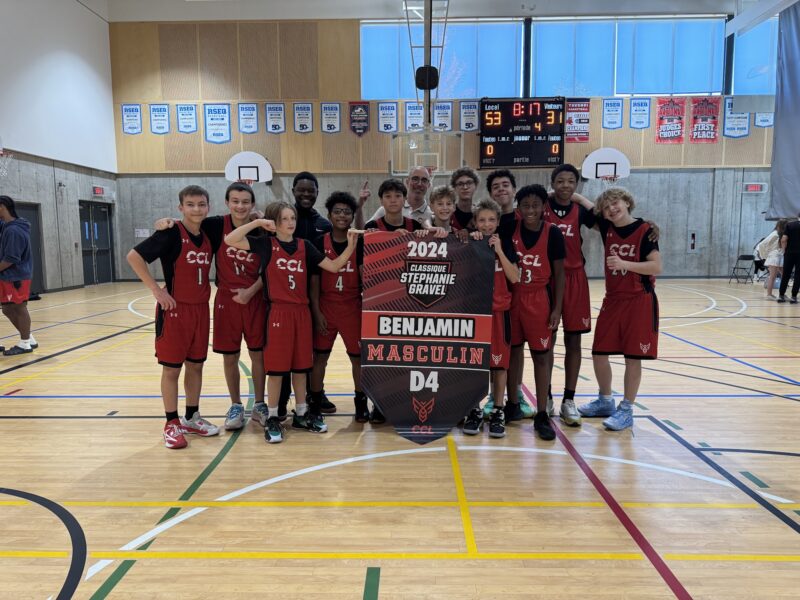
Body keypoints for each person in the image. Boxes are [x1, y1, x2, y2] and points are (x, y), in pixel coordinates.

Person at [224, 202, 359, 444]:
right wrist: (256, 223)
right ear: (274, 223)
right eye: (284, 218)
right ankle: (274, 416)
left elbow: (334, 266)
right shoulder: (266, 245)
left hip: (302, 313)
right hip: (278, 313)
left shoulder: (304, 246)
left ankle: (301, 412)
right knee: (276, 371)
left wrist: (350, 247)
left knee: (300, 368)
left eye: (292, 217)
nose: (290, 222)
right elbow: (230, 240)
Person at [126, 185, 220, 449]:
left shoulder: (210, 231)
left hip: (201, 310)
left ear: (208, 207)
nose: (196, 209)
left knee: (196, 365)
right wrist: (156, 291)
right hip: (175, 311)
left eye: (201, 204)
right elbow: (134, 256)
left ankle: (192, 417)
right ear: (180, 208)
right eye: (190, 204)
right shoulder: (169, 233)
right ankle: (171, 423)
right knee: (172, 369)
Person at [577, 188, 661, 431]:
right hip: (613, 299)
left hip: (639, 301)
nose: (612, 209)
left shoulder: (646, 230)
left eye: (616, 203)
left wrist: (625, 263)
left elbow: (656, 266)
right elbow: (586, 203)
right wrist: (565, 194)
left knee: (632, 358)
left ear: (627, 202)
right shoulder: (607, 228)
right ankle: (605, 400)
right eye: (607, 207)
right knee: (599, 352)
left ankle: (626, 409)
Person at [364, 178, 446, 423]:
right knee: (383, 358)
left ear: (404, 199)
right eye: (388, 197)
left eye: (397, 196)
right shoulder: (372, 226)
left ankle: (406, 403)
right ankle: (380, 405)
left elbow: (435, 252)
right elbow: (363, 265)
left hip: (411, 302)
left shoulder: (416, 225)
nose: (393, 200)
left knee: (408, 357)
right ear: (381, 201)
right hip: (380, 302)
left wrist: (434, 232)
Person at [505, 185, 565, 440]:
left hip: (539, 299)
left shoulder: (553, 233)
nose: (530, 210)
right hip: (513, 299)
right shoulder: (510, 228)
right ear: (518, 208)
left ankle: (542, 413)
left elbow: (560, 274)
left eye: (535, 205)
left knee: (542, 357)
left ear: (544, 207)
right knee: (513, 354)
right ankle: (512, 405)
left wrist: (557, 309)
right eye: (526, 206)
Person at [542, 164, 597, 426]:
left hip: (575, 279)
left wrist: (582, 199)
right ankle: (548, 396)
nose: (565, 186)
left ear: (576, 184)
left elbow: (605, 220)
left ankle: (569, 399)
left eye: (571, 181)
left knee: (574, 342)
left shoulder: (580, 211)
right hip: (548, 280)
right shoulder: (541, 207)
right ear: (552, 183)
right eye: (560, 181)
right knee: (547, 341)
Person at [278, 171, 337, 416]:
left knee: (309, 350)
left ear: (316, 193)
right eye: (301, 190)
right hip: (283, 296)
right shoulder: (281, 219)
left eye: (310, 191)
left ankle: (314, 394)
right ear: (293, 191)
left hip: (312, 295)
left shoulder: (323, 224)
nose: (305, 194)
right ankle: (279, 400)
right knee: (283, 351)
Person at [310, 192, 369, 422]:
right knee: (320, 358)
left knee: (357, 358)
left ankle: (361, 401)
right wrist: (316, 312)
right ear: (329, 215)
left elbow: (367, 277)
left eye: (347, 212)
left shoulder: (360, 242)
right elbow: (314, 282)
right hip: (326, 306)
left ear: (353, 216)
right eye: (337, 211)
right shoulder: (318, 242)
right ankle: (315, 401)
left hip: (352, 307)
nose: (342, 215)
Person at [463, 199, 519, 438]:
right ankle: (474, 410)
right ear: (475, 222)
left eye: (492, 220)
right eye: (482, 220)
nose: (487, 225)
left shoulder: (505, 243)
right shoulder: (469, 243)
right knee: (476, 365)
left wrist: (498, 251)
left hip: (499, 314)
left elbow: (515, 277)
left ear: (498, 222)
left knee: (499, 366)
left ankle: (498, 410)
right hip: (477, 313)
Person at [0, 196, 37, 355]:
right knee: (7, 309)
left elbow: (10, 259)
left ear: (2, 207)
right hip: (10, 276)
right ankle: (29, 338)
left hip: (16, 276)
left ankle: (25, 344)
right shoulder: (8, 226)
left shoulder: (13, 230)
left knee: (19, 307)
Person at [369, 166, 433, 226]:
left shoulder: (431, 214)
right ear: (407, 182)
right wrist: (360, 206)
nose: (419, 184)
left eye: (424, 180)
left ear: (429, 185)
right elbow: (363, 231)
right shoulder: (387, 209)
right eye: (415, 179)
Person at [757, 220, 787, 300]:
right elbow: (762, 244)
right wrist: (765, 255)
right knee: (773, 276)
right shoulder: (774, 234)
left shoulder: (782, 234)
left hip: (781, 256)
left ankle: (782, 294)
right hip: (773, 256)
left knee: (785, 276)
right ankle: (769, 294)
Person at [778, 214, 800, 303]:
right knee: (798, 275)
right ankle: (793, 297)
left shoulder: (790, 225)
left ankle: (781, 295)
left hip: (789, 254)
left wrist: (784, 250)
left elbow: (783, 239)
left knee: (786, 274)